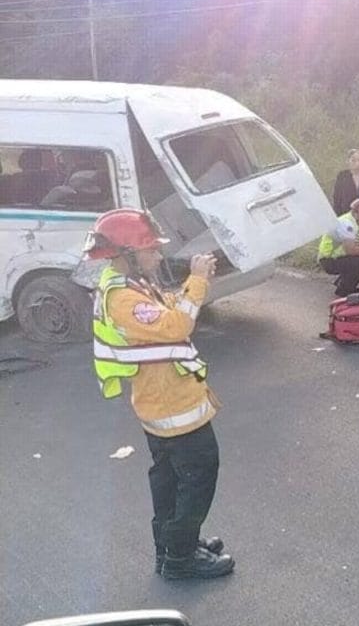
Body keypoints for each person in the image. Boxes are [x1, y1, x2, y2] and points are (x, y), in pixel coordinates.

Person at [85, 209, 234, 580]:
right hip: (173, 410)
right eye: (150, 249)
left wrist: (191, 284)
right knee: (198, 477)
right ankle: (181, 559)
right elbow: (176, 325)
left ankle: (173, 546)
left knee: (170, 481)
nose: (158, 255)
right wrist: (197, 281)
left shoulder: (129, 284)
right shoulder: (122, 297)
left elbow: (168, 311)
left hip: (163, 405)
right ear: (125, 253)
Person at [317, 199, 359, 296]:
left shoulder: (357, 222)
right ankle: (345, 289)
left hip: (339, 256)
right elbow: (350, 250)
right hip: (329, 259)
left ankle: (343, 280)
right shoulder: (346, 223)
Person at [331, 148, 359, 215]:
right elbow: (337, 199)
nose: (357, 163)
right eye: (353, 160)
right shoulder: (342, 176)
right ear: (348, 161)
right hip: (346, 214)